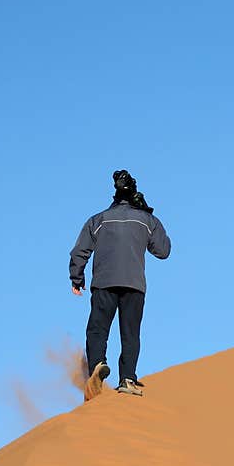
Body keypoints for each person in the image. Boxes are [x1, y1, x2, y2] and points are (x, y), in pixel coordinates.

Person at [69, 170, 171, 400]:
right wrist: (148, 213)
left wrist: (77, 277)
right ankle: (127, 379)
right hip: (134, 284)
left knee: (97, 329)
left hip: (104, 282)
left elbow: (80, 251)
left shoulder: (98, 220)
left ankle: (97, 364)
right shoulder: (146, 221)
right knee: (130, 333)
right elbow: (163, 251)